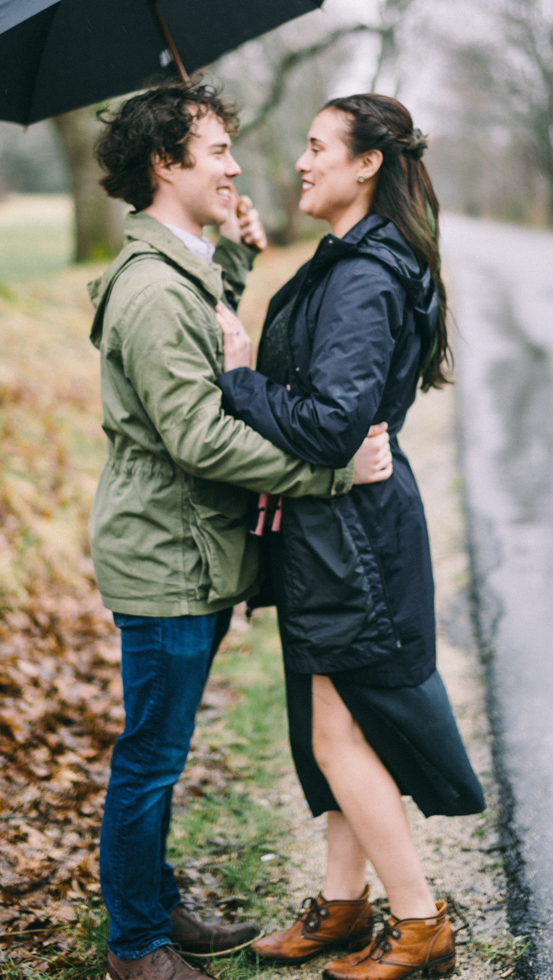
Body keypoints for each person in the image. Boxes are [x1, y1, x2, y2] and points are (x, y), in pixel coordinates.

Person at [86, 83, 392, 980]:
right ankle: (136, 943)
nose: (234, 165)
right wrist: (332, 472)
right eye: (215, 150)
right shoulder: (147, 287)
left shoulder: (181, 262)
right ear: (164, 164)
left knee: (166, 747)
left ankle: (157, 903)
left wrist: (232, 254)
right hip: (165, 557)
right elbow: (200, 432)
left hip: (194, 552)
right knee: (151, 755)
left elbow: (205, 333)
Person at [215, 93, 485, 980]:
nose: (301, 160)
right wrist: (239, 255)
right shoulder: (354, 260)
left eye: (317, 145)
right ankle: (343, 905)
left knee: (339, 734)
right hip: (338, 528)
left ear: (367, 163)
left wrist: (241, 378)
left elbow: (333, 424)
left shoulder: (367, 273)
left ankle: (419, 922)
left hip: (352, 538)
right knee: (334, 729)